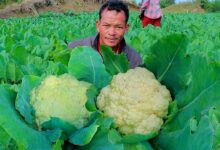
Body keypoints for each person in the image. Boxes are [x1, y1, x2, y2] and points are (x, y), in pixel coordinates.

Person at [68, 0, 142, 69]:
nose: (112, 33)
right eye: (106, 25)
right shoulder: (76, 48)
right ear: (98, 26)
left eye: (118, 27)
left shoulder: (134, 60)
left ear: (126, 28)